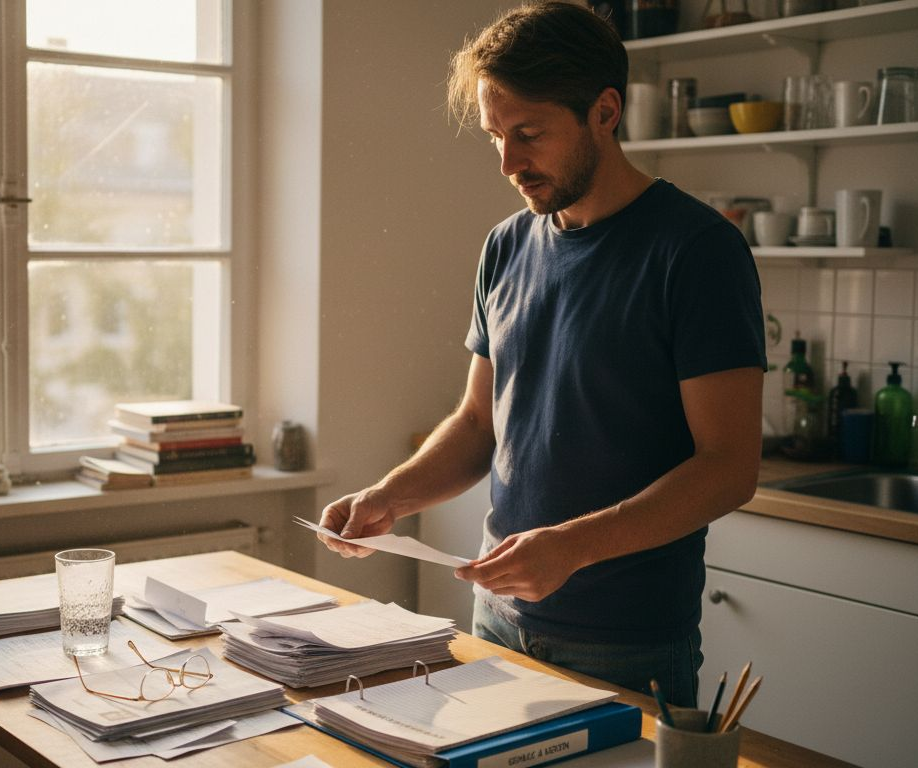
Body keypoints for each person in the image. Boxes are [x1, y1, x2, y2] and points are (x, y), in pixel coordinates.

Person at [316, 1, 765, 708]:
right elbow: (476, 423)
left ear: (605, 112)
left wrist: (572, 547)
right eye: (496, 136)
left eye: (529, 134)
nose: (508, 163)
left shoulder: (696, 250)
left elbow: (730, 468)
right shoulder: (506, 245)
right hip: (497, 623)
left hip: (628, 641)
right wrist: (388, 496)